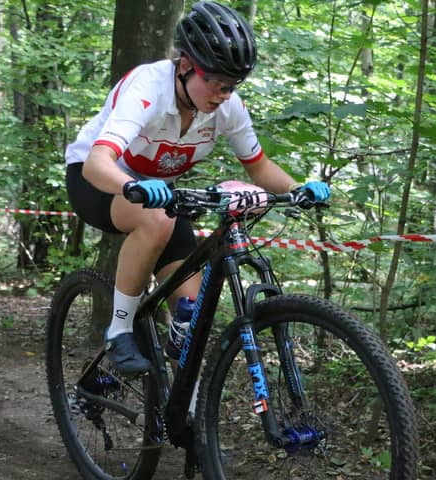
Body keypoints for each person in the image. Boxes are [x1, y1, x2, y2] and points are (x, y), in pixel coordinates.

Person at [64, 1, 330, 375]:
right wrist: (132, 186)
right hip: (97, 180)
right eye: (217, 82)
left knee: (192, 315)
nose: (224, 94)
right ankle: (119, 330)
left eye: (232, 85)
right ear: (186, 66)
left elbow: (259, 167)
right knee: (156, 218)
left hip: (158, 194)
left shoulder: (227, 107)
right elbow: (97, 163)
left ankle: (180, 401)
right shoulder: (148, 88)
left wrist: (299, 188)